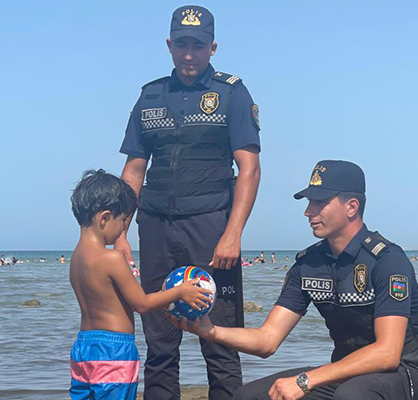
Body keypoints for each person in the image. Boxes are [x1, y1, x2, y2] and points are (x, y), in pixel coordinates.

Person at [175, 160, 418, 400]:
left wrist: (306, 380)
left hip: (405, 371)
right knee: (249, 396)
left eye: (319, 202)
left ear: (351, 207)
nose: (308, 211)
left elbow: (387, 353)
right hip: (346, 371)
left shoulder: (387, 260)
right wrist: (209, 330)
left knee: (352, 395)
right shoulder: (308, 264)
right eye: (308, 202)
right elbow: (267, 340)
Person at [116, 6, 261, 399]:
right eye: (181, 44)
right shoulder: (149, 96)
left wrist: (233, 234)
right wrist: (121, 234)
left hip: (210, 226)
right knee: (160, 344)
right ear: (169, 45)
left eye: (198, 45)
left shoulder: (231, 93)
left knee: (220, 340)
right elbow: (134, 169)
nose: (189, 53)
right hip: (155, 227)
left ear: (212, 48)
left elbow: (249, 168)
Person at [68, 169, 212, 400]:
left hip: (83, 348)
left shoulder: (76, 258)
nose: (123, 229)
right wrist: (180, 292)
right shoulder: (112, 258)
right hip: (114, 350)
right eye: (123, 221)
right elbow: (142, 303)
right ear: (104, 218)